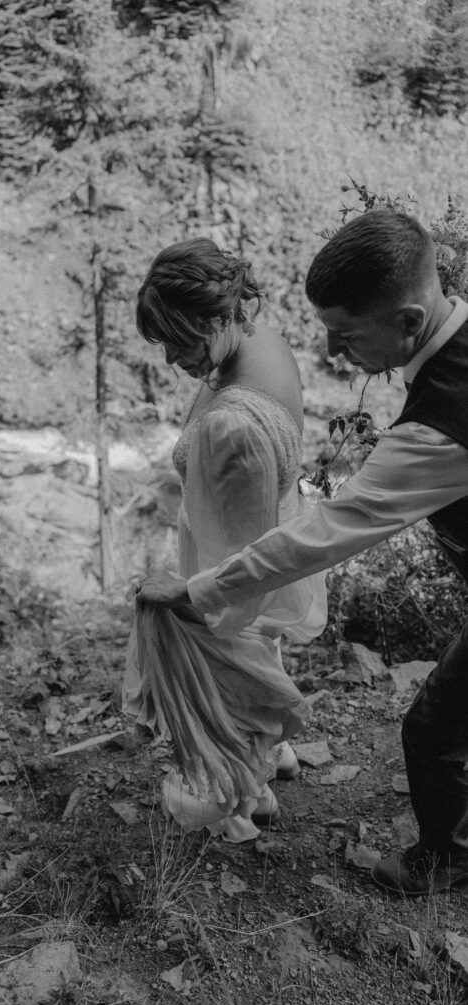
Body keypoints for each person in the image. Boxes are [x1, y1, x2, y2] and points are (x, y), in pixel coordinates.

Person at [135, 209, 468, 896]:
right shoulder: (443, 354)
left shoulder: (442, 421)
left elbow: (330, 529)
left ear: (407, 320)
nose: (328, 349)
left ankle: (446, 861)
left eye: (345, 333)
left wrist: (197, 592)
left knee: (432, 729)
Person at [124, 237, 328, 843]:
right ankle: (270, 765)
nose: (169, 359)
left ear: (216, 317)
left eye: (177, 341)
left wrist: (189, 592)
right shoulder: (262, 339)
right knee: (260, 640)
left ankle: (237, 795)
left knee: (229, 649)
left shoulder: (232, 424)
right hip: (277, 515)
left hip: (243, 542)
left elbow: (238, 585)